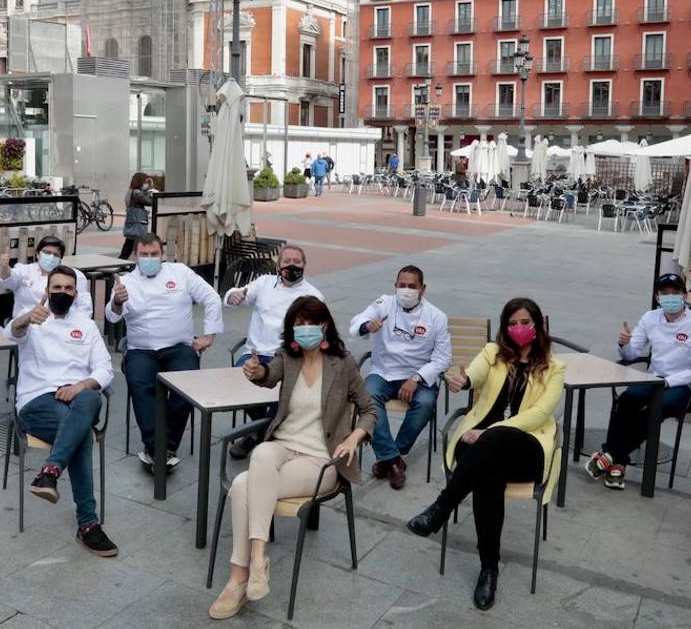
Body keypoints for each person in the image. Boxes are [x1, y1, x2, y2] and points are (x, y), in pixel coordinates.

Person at [208, 296, 377, 619]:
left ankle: (237, 579)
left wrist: (355, 437)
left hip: (321, 460)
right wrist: (254, 371)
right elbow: (267, 376)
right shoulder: (289, 357)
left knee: (243, 487)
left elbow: (370, 409)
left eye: (308, 323)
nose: (303, 330)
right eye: (297, 325)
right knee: (261, 453)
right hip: (284, 447)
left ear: (323, 325)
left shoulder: (343, 363)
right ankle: (258, 558)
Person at [405, 297, 565, 611]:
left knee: (495, 443)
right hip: (479, 447)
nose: (518, 328)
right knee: (489, 475)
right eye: (512, 322)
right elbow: (473, 376)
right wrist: (463, 380)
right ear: (505, 326)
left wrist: (490, 432)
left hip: (526, 447)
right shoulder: (493, 354)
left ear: (537, 326)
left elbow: (539, 414)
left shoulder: (555, 368)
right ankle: (489, 569)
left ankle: (441, 507)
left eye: (525, 322)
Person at [7, 265, 117, 556]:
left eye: (68, 289)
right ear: (47, 291)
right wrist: (26, 318)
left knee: (91, 398)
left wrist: (80, 386)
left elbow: (105, 369)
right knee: (80, 435)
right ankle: (88, 525)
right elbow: (11, 332)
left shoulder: (87, 324)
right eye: (57, 288)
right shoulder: (34, 320)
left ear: (76, 293)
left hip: (77, 399)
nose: (62, 293)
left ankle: (50, 470)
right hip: (37, 402)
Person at [106, 232, 223, 471]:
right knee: (141, 386)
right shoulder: (125, 282)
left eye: (154, 254)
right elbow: (111, 315)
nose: (149, 258)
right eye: (144, 255)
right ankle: (156, 449)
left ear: (162, 254)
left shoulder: (180, 272)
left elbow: (211, 297)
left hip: (179, 347)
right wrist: (117, 301)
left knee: (187, 386)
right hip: (141, 350)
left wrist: (208, 336)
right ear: (136, 256)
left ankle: (166, 446)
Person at [587, 273, 691, 490]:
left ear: (685, 295)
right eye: (665, 294)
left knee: (659, 406)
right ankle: (617, 463)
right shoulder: (650, 318)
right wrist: (624, 343)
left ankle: (611, 455)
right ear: (657, 297)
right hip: (653, 379)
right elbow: (631, 353)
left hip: (685, 386)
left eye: (675, 293)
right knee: (628, 399)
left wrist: (671, 382)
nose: (671, 297)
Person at [350, 265, 451, 489]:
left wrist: (415, 379)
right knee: (367, 396)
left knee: (425, 402)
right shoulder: (384, 304)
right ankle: (393, 461)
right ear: (395, 286)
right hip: (384, 371)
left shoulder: (436, 317)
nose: (406, 290)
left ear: (422, 289)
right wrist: (368, 325)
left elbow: (443, 359)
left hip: (417, 375)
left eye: (411, 286)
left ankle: (393, 454)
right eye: (401, 285)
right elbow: (358, 321)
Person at [223, 245, 324, 458]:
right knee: (239, 379)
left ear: (304, 265)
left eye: (297, 261)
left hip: (290, 355)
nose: (292, 265)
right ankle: (263, 432)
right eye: (287, 261)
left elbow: (318, 333)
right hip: (255, 353)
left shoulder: (313, 295)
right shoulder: (265, 283)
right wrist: (235, 295)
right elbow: (239, 294)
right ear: (278, 265)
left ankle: (258, 435)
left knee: (287, 391)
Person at [0, 236, 92, 320]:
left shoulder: (76, 276)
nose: (51, 257)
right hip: (28, 326)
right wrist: (4, 268)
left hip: (64, 326)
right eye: (47, 252)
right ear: (38, 254)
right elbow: (8, 280)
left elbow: (84, 308)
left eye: (55, 255)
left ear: (61, 259)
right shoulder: (24, 271)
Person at [119, 173, 153, 259]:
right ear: (140, 182)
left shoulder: (130, 192)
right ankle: (124, 261)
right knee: (134, 243)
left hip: (132, 221)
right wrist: (150, 187)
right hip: (138, 222)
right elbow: (150, 202)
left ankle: (123, 261)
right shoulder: (137, 193)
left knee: (129, 243)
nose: (146, 184)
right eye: (145, 182)